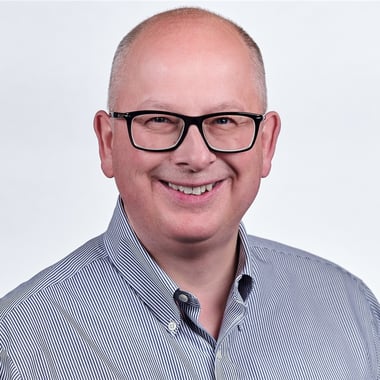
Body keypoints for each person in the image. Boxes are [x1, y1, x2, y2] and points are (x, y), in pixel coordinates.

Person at [0, 7, 379, 379]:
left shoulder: (353, 313)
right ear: (107, 141)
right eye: (160, 120)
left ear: (266, 144)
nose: (195, 157)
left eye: (225, 120)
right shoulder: (16, 343)